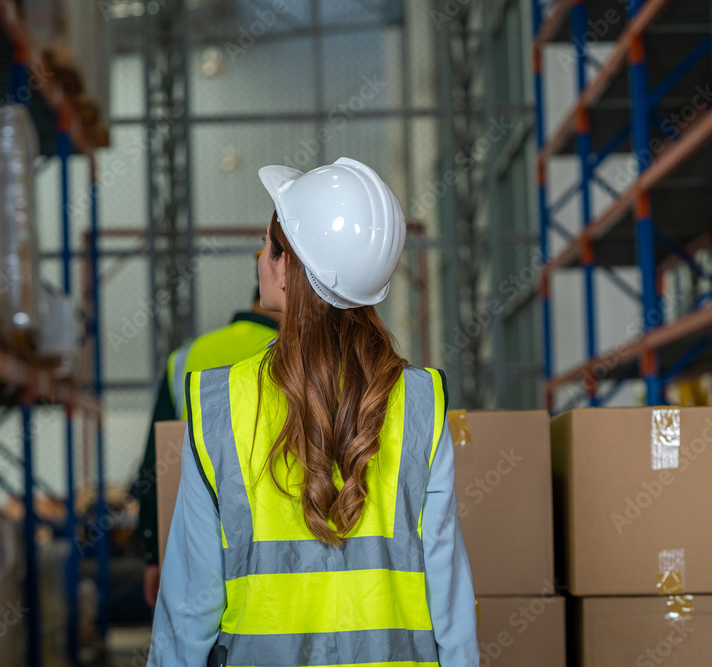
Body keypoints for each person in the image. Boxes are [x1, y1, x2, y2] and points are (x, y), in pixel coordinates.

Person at [147, 157, 479, 666]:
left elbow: (189, 612)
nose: (262, 258)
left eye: (268, 247)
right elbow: (449, 597)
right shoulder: (418, 401)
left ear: (286, 269)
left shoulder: (219, 405)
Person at [134, 284, 280, 608]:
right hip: (273, 544)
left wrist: (152, 553)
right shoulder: (298, 355)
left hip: (194, 539)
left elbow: (156, 462)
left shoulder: (187, 356)